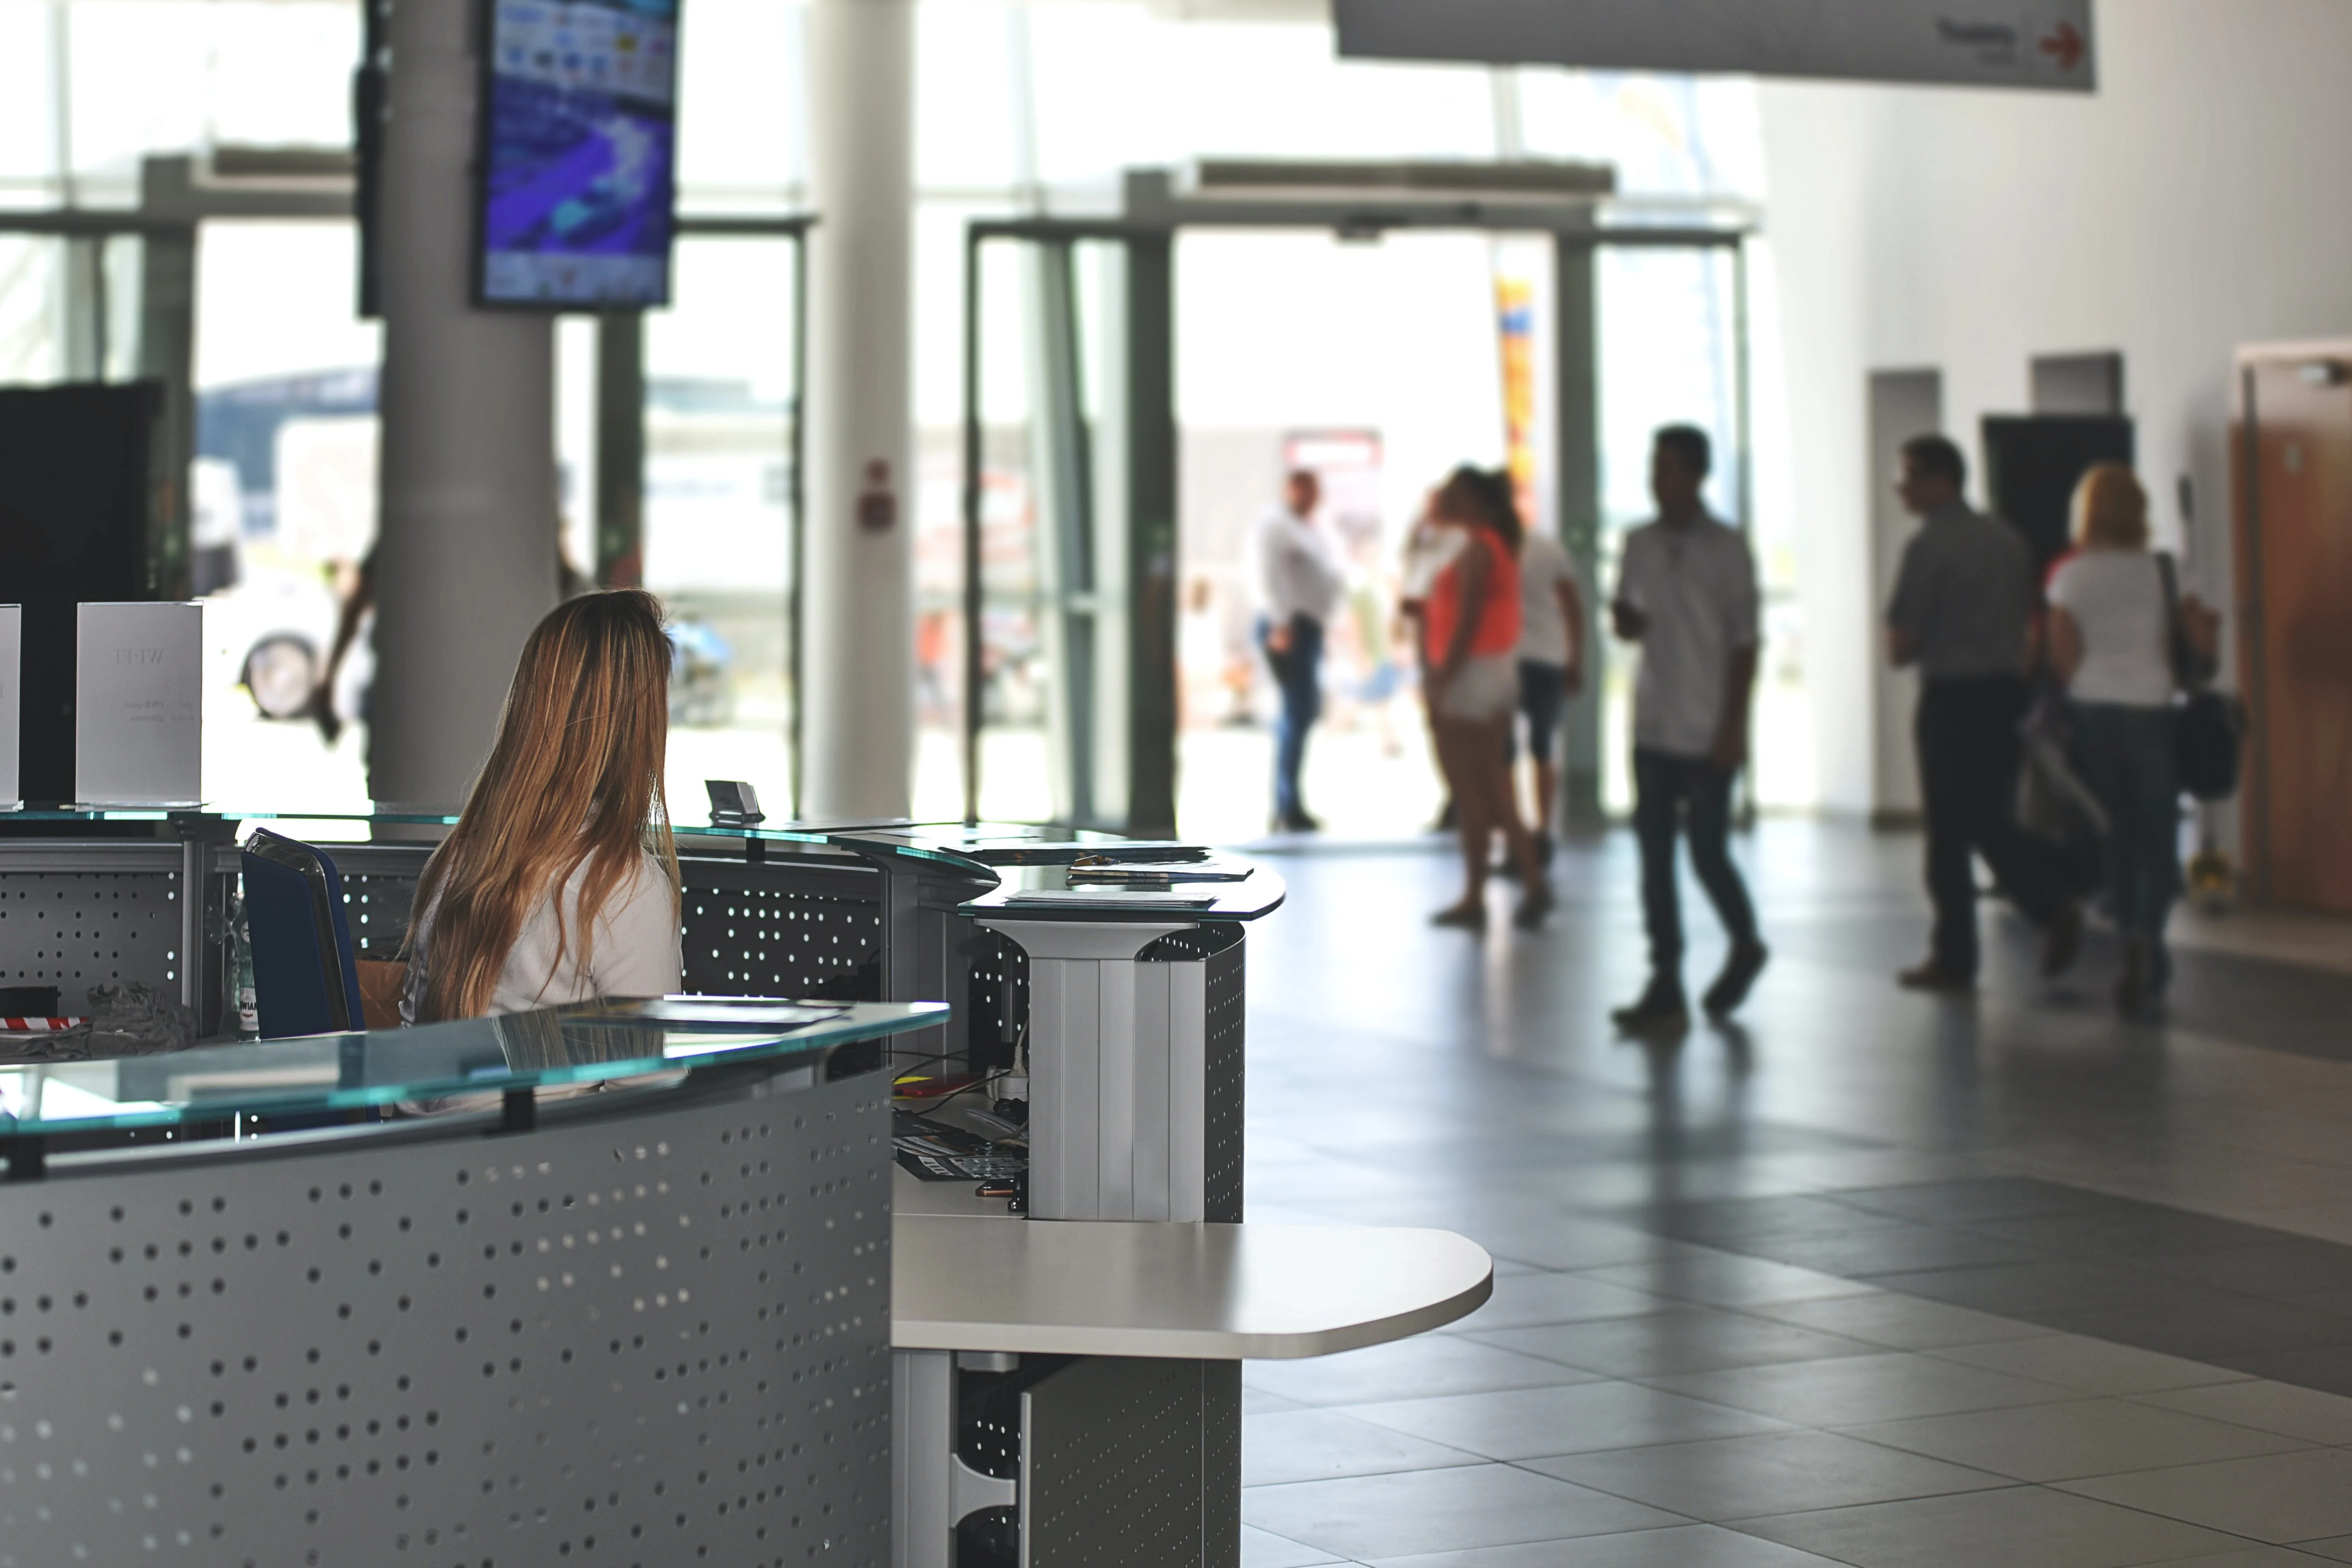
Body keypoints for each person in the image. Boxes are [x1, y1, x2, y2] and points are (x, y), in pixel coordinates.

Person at [401, 589, 683, 1024]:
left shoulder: (456, 858)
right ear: (637, 725)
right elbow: (646, 1084)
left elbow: (411, 1045)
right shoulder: (624, 889)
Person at [1886, 434, 2081, 993]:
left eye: (1908, 477)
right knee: (1990, 817)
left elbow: (1901, 643)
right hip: (2003, 694)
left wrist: (1913, 642)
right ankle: (2048, 904)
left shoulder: (1927, 547)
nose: (1901, 490)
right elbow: (2028, 622)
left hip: (1950, 696)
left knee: (1948, 831)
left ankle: (1955, 956)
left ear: (1938, 480)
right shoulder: (2008, 538)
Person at [1608, 425, 1768, 1029]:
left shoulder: (1727, 548)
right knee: (1654, 859)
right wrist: (1623, 618)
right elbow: (1628, 622)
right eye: (1655, 467)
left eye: (1672, 468)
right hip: (1652, 722)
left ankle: (1744, 939)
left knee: (1706, 851)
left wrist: (1733, 727)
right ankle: (1665, 979)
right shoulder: (1638, 542)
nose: (1660, 479)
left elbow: (1745, 642)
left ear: (1699, 475)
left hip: (1705, 724)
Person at [2046, 463, 2219, 1013]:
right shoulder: (2162, 570)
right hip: (2151, 709)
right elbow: (2200, 641)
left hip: (2093, 712)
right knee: (2156, 835)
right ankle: (2147, 937)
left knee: (2114, 835)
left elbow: (2063, 659)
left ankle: (2127, 941)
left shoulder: (2069, 577)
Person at [1424, 466, 1550, 930]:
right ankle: (1524, 882)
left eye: (1455, 494)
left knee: (1474, 792)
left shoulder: (1478, 548)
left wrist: (1443, 678)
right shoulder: (1490, 545)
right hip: (1490, 672)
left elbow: (1466, 621)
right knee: (1493, 790)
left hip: (1473, 676)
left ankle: (1480, 893)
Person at [1253, 470, 1344, 833]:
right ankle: (1285, 807)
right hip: (1289, 628)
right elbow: (1266, 575)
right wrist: (1280, 624)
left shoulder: (1304, 527)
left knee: (1302, 714)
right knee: (1295, 714)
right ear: (1291, 489)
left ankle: (1291, 803)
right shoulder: (1275, 525)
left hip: (1305, 628)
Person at [1513, 523, 1586, 865]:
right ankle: (1531, 834)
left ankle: (1533, 835)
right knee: (1535, 749)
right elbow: (1572, 607)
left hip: (1524, 659)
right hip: (1539, 659)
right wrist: (1574, 658)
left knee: (1526, 751)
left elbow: (1572, 606)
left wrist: (1575, 657)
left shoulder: (1531, 548)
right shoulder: (1543, 548)